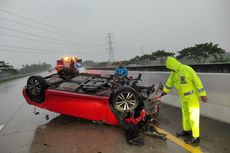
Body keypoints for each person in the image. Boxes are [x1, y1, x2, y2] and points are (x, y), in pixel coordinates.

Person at [162, 57, 207, 145]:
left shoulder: (187, 69)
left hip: (192, 98)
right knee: (185, 115)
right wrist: (164, 92)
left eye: (171, 68)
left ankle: (195, 136)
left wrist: (203, 94)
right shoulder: (173, 73)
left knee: (193, 117)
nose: (170, 70)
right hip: (183, 98)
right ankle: (187, 131)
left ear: (173, 65)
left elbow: (197, 81)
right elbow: (169, 83)